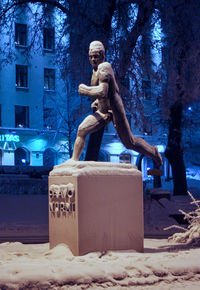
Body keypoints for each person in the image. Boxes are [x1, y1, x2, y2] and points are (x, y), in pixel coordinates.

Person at [71, 40, 162, 167]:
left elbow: (103, 91)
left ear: (102, 56)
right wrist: (97, 102)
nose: (93, 59)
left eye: (96, 56)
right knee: (82, 130)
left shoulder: (104, 67)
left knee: (130, 143)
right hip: (103, 111)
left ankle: (153, 152)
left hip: (115, 110)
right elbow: (103, 93)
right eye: (91, 56)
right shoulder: (95, 70)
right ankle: (74, 160)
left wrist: (86, 90)